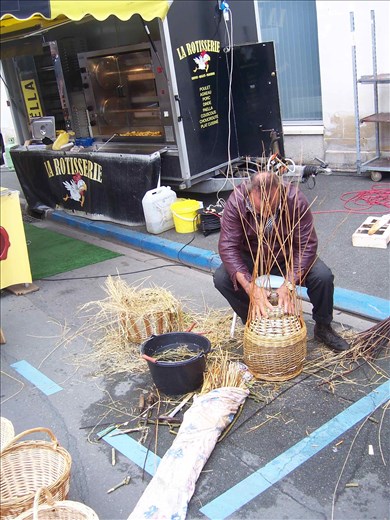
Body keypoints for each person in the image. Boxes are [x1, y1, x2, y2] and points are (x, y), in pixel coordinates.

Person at [213, 171, 349, 352]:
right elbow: (228, 246)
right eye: (261, 209)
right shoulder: (237, 200)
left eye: (272, 206)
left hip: (288, 256)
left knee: (322, 277)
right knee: (222, 278)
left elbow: (306, 244)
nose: (267, 212)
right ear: (250, 193)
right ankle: (256, 321)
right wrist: (249, 287)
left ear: (280, 191)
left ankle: (323, 327)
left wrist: (290, 282)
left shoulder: (295, 199)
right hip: (252, 257)